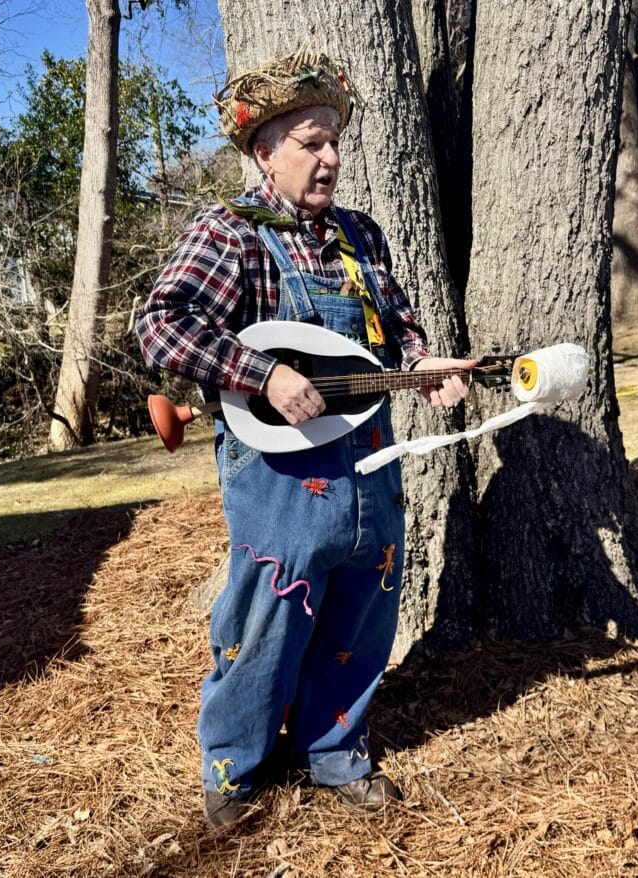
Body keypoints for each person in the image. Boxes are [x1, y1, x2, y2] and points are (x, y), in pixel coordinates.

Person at [135, 51, 473, 829]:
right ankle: (234, 771)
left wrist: (423, 365)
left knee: (362, 615)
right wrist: (264, 373)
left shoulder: (360, 236)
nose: (329, 159)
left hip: (370, 467)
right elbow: (160, 325)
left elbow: (399, 331)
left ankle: (335, 754)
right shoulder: (232, 233)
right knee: (265, 622)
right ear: (265, 152)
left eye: (334, 142)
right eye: (310, 143)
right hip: (278, 482)